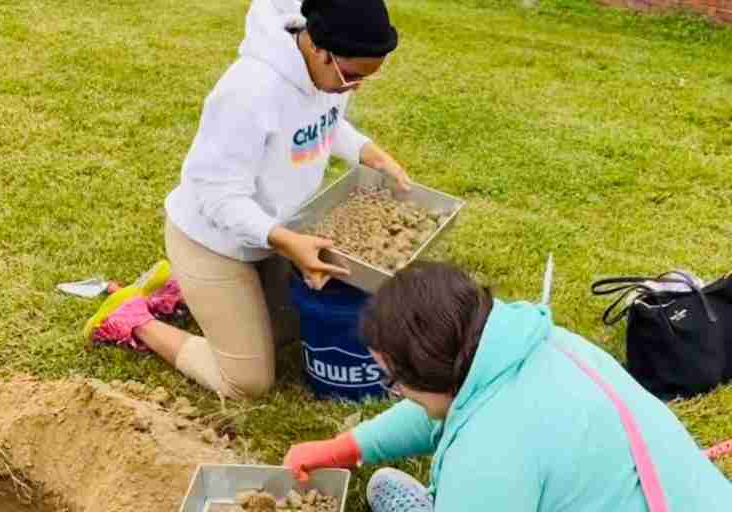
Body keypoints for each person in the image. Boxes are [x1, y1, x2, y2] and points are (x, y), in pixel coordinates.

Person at [82, 0, 410, 400]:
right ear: (320, 49)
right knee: (247, 379)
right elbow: (217, 195)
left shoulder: (328, 75)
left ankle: (180, 290)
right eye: (352, 76)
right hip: (213, 241)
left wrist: (366, 150)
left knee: (291, 332)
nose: (354, 87)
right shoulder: (248, 91)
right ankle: (130, 316)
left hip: (269, 237)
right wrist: (286, 241)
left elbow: (325, 120)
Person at [283, 262, 732, 511]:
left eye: (396, 381)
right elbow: (438, 406)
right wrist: (347, 447)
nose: (395, 390)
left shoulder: (489, 452)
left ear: (435, 375)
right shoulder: (531, 345)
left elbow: (483, 445)